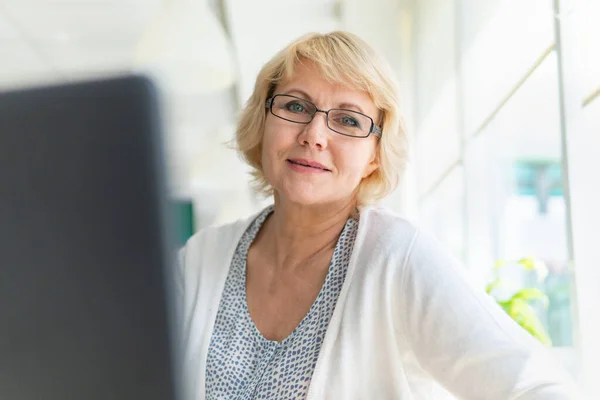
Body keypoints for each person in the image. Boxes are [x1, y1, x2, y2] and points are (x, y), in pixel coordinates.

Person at [176, 31, 578, 399]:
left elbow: (537, 385)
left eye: (348, 120)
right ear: (263, 124)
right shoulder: (199, 258)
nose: (314, 134)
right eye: (296, 106)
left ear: (374, 156)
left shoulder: (399, 258)